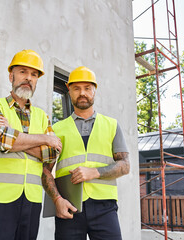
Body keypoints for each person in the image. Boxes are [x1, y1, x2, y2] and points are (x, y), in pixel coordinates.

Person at [0, 49, 62, 240]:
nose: (28, 78)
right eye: (22, 71)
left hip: (32, 201)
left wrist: (14, 138)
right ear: (11, 75)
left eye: (34, 74)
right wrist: (44, 139)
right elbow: (0, 139)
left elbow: (52, 155)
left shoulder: (42, 116)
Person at [42, 66, 130, 240]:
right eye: (77, 88)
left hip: (105, 207)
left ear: (95, 90)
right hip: (69, 206)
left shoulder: (112, 125)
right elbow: (45, 171)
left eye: (87, 88)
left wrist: (94, 172)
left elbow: (125, 165)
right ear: (69, 90)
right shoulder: (56, 129)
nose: (82, 93)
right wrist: (57, 200)